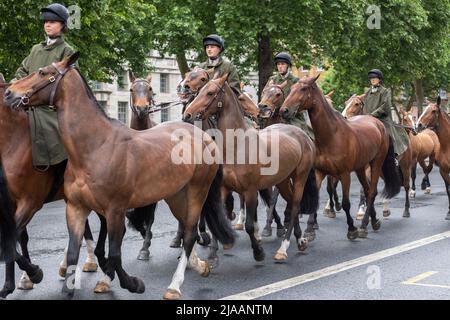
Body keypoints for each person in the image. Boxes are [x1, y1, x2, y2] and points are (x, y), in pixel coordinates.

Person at [12, 3, 75, 169]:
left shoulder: (66, 51)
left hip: (50, 109)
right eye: (46, 21)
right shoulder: (35, 49)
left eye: (53, 21)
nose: (47, 24)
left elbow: (69, 84)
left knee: (52, 133)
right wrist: (13, 86)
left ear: (62, 25)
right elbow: (22, 71)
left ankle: (58, 170)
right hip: (26, 102)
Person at [263, 52, 314, 138]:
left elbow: (298, 100)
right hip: (274, 114)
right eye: (278, 64)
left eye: (282, 64)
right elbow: (264, 94)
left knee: (304, 134)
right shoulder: (272, 79)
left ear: (288, 66)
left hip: (292, 116)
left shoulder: (295, 80)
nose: (280, 66)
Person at [362, 69, 409, 157]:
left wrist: (372, 115)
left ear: (379, 79)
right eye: (371, 78)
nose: (372, 80)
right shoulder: (367, 92)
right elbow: (363, 104)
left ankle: (394, 155)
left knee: (390, 136)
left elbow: (385, 106)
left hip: (382, 119)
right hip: (368, 119)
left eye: (375, 78)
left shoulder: (385, 91)